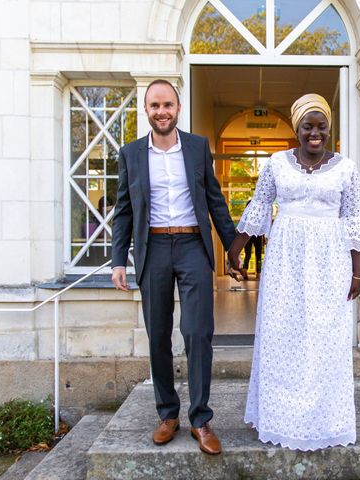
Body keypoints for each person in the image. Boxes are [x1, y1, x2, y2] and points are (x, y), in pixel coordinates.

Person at [228, 93, 360, 450]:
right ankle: (281, 418)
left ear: (328, 128)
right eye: (308, 126)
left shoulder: (346, 168)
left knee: (325, 340)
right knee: (282, 334)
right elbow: (260, 207)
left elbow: (351, 219)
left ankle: (324, 421)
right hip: (285, 260)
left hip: (329, 260)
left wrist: (357, 272)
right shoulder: (276, 163)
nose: (315, 133)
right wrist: (235, 250)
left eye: (321, 126)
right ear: (297, 129)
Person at [111, 79, 237, 455]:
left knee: (198, 332)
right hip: (153, 249)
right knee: (158, 335)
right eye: (154, 106)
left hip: (192, 247)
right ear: (146, 111)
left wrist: (233, 248)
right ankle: (168, 414)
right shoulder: (131, 154)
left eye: (168, 105)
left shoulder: (198, 148)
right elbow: (124, 211)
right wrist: (119, 260)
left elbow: (215, 201)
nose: (161, 111)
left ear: (177, 109)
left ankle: (201, 419)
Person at [239, 199, 264, 279]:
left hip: (257, 235)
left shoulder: (259, 213)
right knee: (248, 253)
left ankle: (258, 273)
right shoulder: (246, 215)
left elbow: (262, 225)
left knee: (257, 254)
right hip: (248, 235)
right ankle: (245, 271)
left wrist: (263, 236)